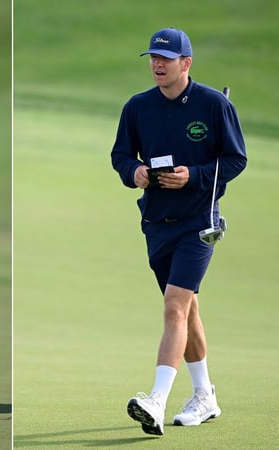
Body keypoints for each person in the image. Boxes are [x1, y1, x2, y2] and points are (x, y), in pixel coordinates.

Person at [111, 28, 247, 436]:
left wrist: (194, 176)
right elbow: (120, 154)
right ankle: (205, 395)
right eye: (153, 57)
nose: (157, 64)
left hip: (199, 222)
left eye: (165, 59)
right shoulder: (137, 107)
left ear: (185, 64)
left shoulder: (213, 104)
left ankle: (156, 399)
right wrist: (132, 172)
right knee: (187, 310)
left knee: (174, 305)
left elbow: (235, 159)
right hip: (156, 222)